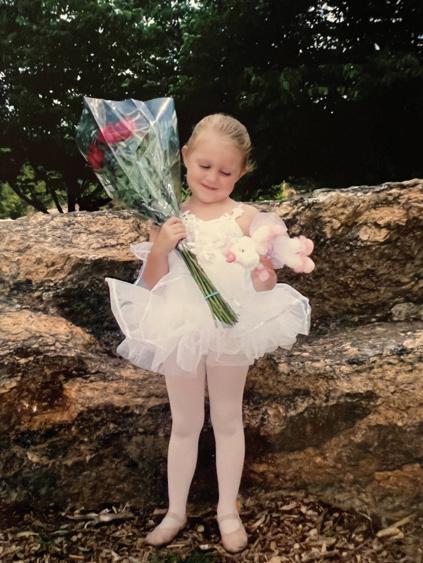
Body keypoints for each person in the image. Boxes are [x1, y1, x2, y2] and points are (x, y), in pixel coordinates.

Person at [104, 113, 311, 553]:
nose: (213, 177)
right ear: (185, 157)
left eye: (226, 171)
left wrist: (262, 273)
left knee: (228, 419)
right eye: (204, 166)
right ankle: (175, 511)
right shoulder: (167, 217)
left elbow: (265, 279)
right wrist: (161, 245)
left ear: (242, 171)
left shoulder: (248, 218)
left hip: (230, 327)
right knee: (185, 422)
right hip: (180, 325)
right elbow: (152, 281)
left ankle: (227, 511)